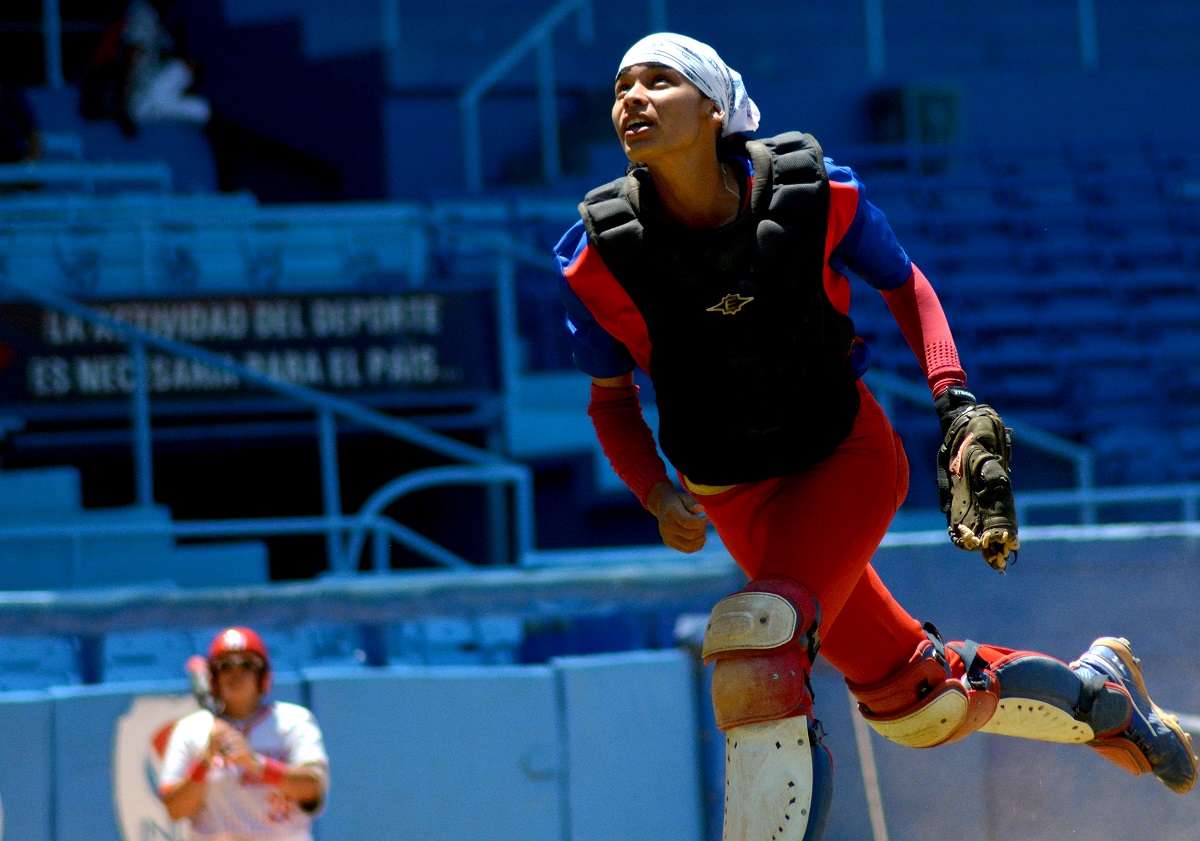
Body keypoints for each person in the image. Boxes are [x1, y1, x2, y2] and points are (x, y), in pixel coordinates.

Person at [552, 32, 1197, 840]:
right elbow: (609, 403)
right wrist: (652, 488)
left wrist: (953, 398)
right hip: (735, 495)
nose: (631, 98)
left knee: (760, 640)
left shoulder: (812, 191)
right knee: (921, 705)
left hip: (844, 458)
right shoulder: (596, 256)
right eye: (621, 87)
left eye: (658, 81)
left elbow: (907, 284)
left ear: (715, 108)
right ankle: (1102, 695)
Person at [158, 627, 329, 841]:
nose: (235, 673)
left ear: (263, 676)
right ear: (213, 678)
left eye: (247, 664)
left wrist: (256, 764)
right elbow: (174, 809)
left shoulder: (292, 721)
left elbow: (312, 789)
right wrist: (203, 764)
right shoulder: (191, 729)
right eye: (225, 665)